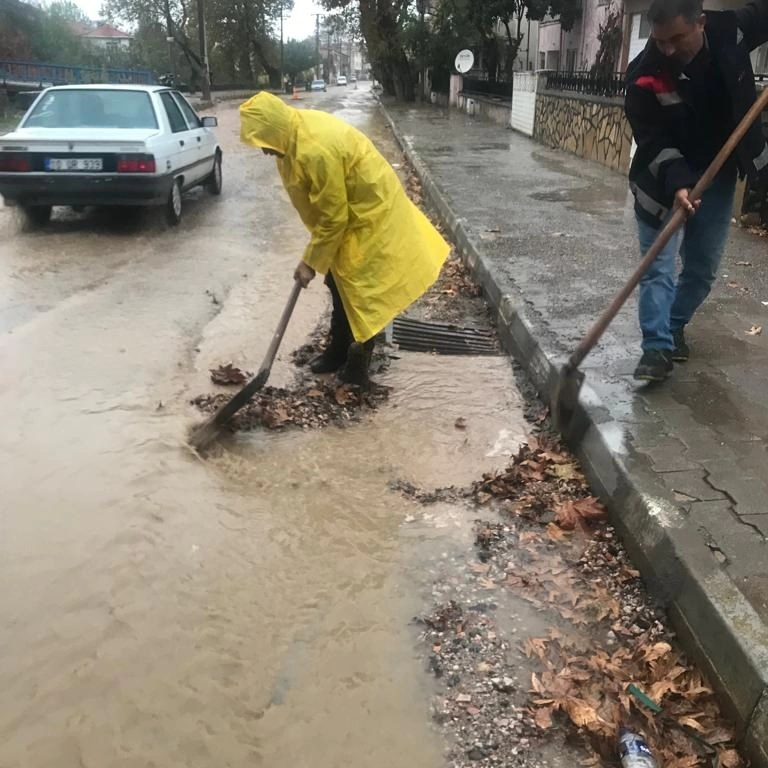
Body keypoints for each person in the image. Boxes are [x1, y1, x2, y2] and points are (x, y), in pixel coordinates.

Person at [240, 92, 450, 386]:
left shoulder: (315, 151)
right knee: (337, 283)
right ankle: (337, 352)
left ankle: (357, 366)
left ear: (274, 131)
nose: (263, 151)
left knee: (363, 290)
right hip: (348, 216)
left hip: (369, 213)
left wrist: (310, 263)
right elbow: (317, 206)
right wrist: (317, 256)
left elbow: (334, 217)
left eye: (262, 142)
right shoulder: (289, 141)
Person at [625, 0, 768, 382]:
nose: (667, 49)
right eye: (660, 41)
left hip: (719, 170)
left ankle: (671, 326)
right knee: (658, 268)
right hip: (660, 179)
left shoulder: (731, 30)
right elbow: (651, 141)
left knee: (702, 271)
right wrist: (679, 184)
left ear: (701, 23)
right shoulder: (643, 74)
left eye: (676, 39)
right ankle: (656, 350)